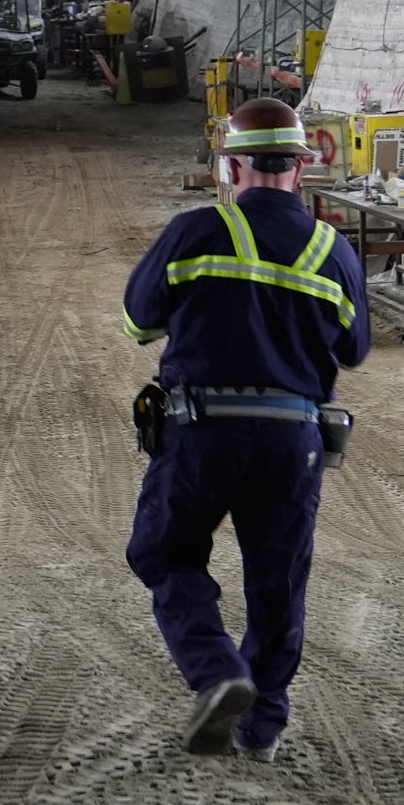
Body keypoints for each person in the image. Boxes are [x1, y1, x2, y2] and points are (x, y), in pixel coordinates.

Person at [119, 97, 369, 761]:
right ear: (303, 163)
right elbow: (354, 350)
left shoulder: (197, 231)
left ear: (230, 164)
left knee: (165, 553)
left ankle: (218, 674)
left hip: (199, 431)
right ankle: (262, 728)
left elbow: (138, 322)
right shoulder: (333, 251)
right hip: (295, 439)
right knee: (277, 580)